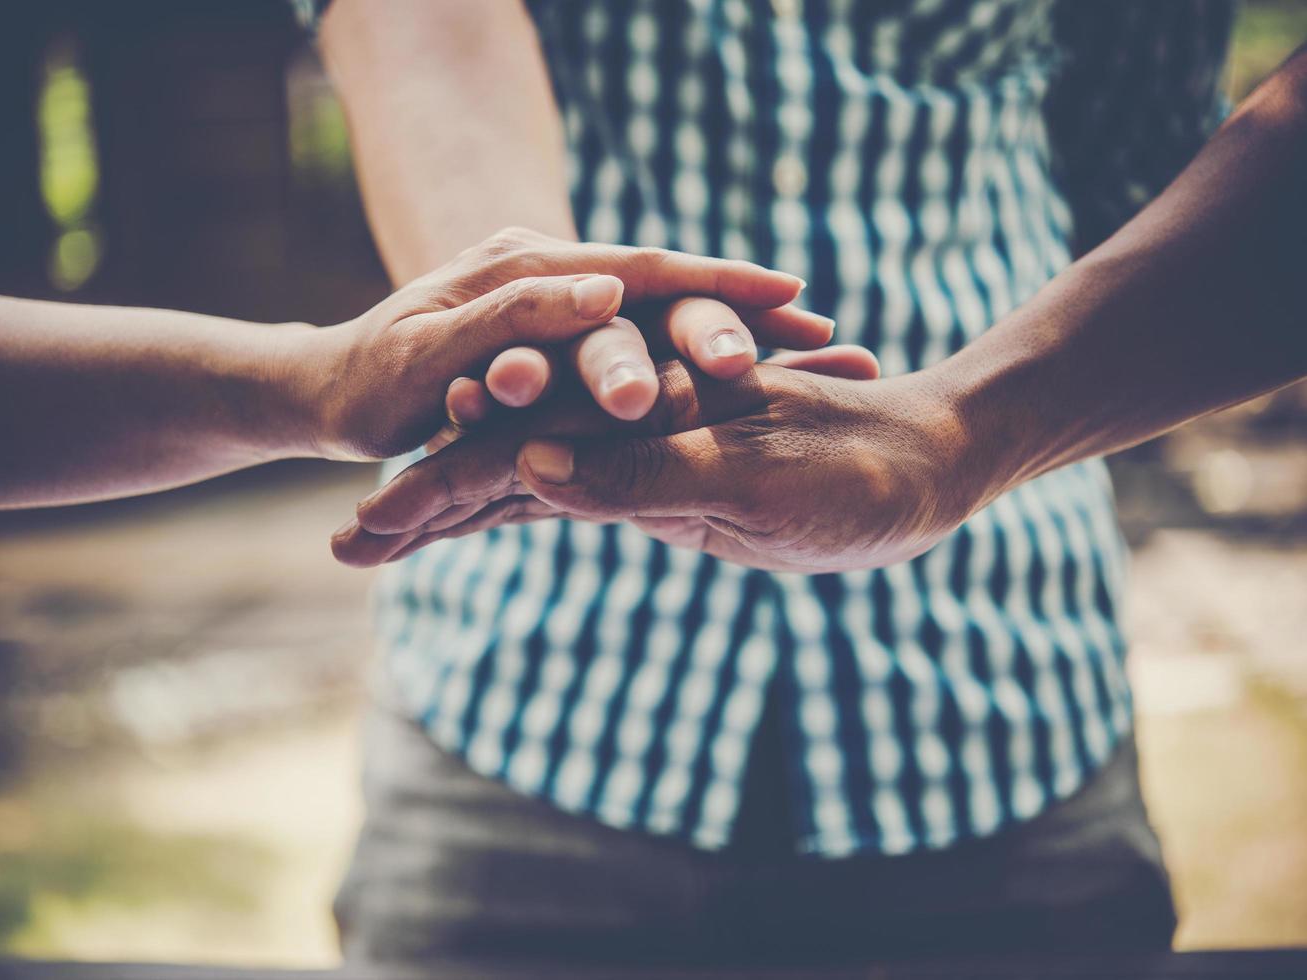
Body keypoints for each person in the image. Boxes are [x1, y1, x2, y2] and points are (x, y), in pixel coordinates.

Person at [307, 0, 1303, 967]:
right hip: (529, 696)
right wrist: (542, 321)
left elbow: (1138, 163)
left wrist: (967, 428)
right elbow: (422, 26)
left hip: (999, 683)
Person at [0, 236, 847, 507]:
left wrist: (962, 428)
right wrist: (570, 341)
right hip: (520, 724)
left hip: (974, 710)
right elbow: (511, 262)